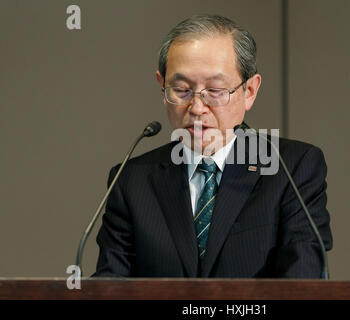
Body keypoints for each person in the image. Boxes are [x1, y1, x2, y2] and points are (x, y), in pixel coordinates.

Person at [93, 14, 332, 278]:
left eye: (215, 90)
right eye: (181, 89)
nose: (196, 108)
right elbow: (110, 284)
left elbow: (304, 280)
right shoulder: (131, 181)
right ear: (162, 88)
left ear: (249, 91)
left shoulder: (292, 168)